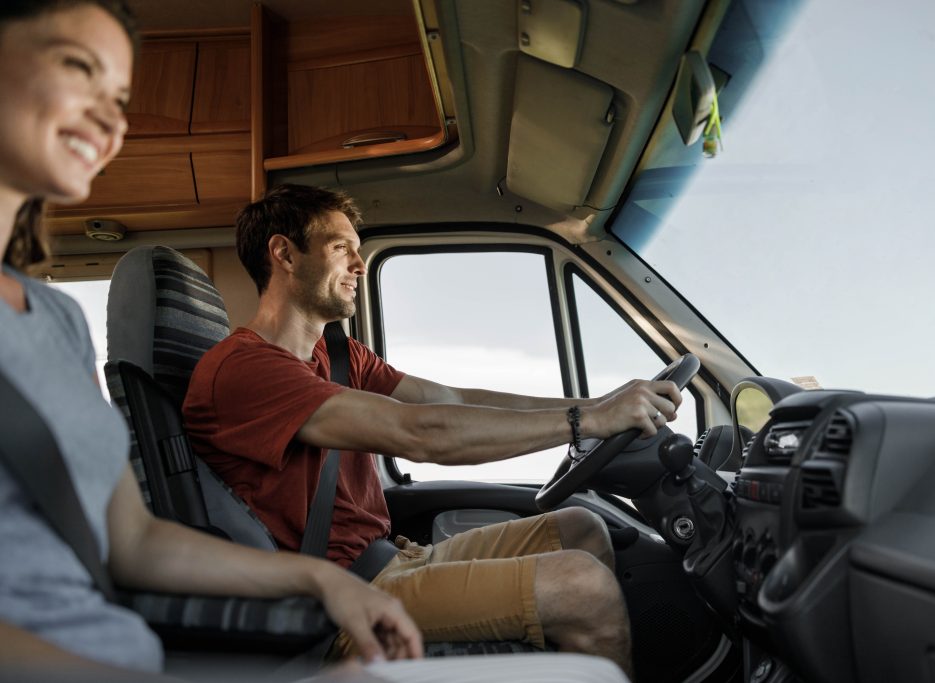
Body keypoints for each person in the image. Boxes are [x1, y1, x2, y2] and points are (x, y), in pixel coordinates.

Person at [0, 0, 423, 677]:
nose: (113, 119)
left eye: (121, 97)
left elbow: (133, 539)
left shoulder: (56, 321)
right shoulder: (243, 367)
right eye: (78, 67)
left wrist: (321, 581)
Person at [183, 183, 684, 678]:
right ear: (283, 254)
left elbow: (450, 400)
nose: (360, 265)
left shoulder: (338, 354)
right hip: (337, 600)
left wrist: (599, 404)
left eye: (360, 252)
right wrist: (586, 423)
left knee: (580, 528)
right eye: (342, 249)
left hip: (391, 558)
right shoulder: (243, 369)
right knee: (582, 587)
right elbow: (419, 433)